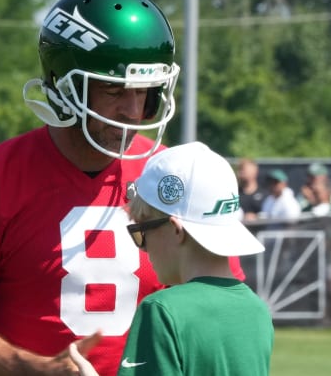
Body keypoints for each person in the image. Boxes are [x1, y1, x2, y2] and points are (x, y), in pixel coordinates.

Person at [0, 0, 244, 376]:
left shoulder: (179, 176)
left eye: (147, 92)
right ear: (63, 84)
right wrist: (35, 369)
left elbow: (222, 304)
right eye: (115, 90)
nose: (134, 112)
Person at [68, 142, 273, 376]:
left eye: (142, 231)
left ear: (177, 229)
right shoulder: (257, 311)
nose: (143, 248)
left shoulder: (162, 310)